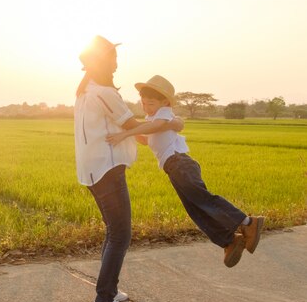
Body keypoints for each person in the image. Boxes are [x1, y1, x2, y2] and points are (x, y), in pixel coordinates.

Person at [74, 37, 184, 302]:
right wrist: (171, 123)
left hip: (93, 168)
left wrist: (150, 135)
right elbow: (132, 126)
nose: (115, 64)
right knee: (121, 233)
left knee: (113, 230)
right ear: (102, 61)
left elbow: (134, 132)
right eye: (112, 58)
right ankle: (104, 299)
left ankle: (109, 288)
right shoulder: (104, 93)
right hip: (107, 169)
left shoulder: (86, 91)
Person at [106, 75, 264, 268]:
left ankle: (248, 222)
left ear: (164, 102)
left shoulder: (164, 112)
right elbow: (148, 139)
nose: (146, 107)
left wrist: (125, 133)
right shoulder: (153, 118)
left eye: (150, 103)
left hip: (180, 164)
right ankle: (229, 241)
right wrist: (127, 133)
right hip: (174, 168)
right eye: (143, 103)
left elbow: (158, 126)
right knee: (195, 209)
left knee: (203, 199)